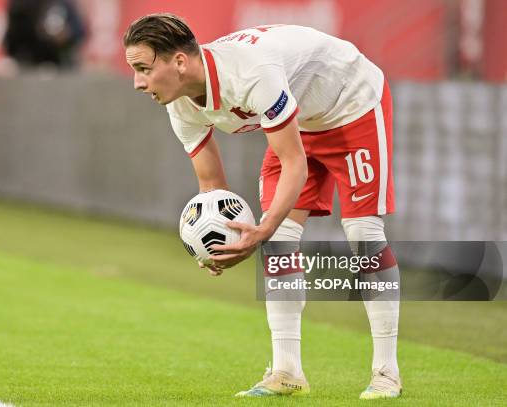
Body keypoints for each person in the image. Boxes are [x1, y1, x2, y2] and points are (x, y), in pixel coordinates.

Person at [123, 14, 401, 399]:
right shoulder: (180, 106)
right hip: (298, 120)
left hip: (351, 103)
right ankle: (287, 372)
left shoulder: (251, 73)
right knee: (280, 242)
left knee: (363, 234)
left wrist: (262, 228)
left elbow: (294, 165)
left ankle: (387, 372)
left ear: (180, 63)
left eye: (143, 69)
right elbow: (212, 188)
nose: (137, 82)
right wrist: (220, 244)